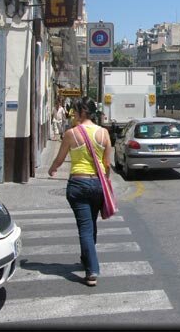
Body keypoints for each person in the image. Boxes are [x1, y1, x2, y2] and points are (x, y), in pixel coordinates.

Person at [48, 97, 113, 287]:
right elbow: (107, 164)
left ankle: (91, 270)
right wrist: (105, 181)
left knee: (84, 227)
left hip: (78, 184)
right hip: (97, 184)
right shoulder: (104, 133)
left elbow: (60, 158)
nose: (73, 113)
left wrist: (52, 169)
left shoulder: (71, 134)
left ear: (83, 111)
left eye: (75, 110)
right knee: (90, 224)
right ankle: (87, 259)